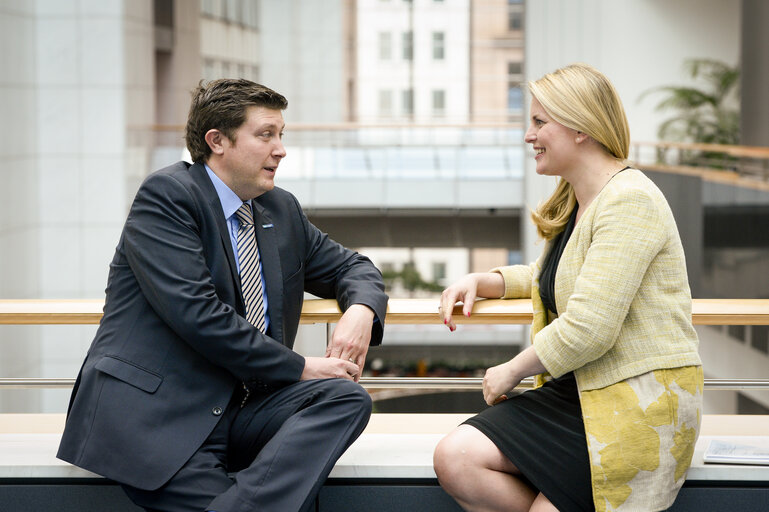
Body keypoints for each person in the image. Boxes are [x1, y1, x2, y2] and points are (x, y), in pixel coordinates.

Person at [57, 79, 388, 512]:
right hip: (162, 416)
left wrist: (360, 311)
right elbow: (199, 315)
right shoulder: (168, 196)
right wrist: (303, 367)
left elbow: (352, 267)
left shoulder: (280, 209)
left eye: (281, 135)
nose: (280, 149)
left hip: (244, 412)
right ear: (217, 141)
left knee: (345, 397)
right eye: (266, 134)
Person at [434, 63, 703, 512]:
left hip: (635, 403)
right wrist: (487, 281)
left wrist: (511, 370)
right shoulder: (583, 200)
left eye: (539, 122)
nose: (528, 135)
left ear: (581, 128)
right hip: (579, 395)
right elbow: (555, 275)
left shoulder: (631, 199)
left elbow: (589, 327)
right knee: (456, 459)